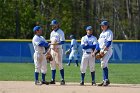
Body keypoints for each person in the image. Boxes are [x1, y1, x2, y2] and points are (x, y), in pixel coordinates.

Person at [97, 21, 113, 86]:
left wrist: (103, 50)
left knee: (103, 64)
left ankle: (106, 80)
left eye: (103, 25)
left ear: (106, 26)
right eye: (101, 25)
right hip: (102, 50)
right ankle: (105, 80)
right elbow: (98, 43)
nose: (102, 26)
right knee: (104, 65)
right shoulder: (101, 34)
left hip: (107, 50)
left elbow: (109, 42)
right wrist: (97, 51)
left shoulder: (109, 32)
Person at [49, 19, 65, 85]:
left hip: (58, 50)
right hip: (52, 50)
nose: (53, 26)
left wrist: (55, 44)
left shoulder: (60, 32)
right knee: (52, 64)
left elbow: (63, 41)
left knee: (59, 64)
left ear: (57, 25)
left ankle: (62, 79)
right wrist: (49, 51)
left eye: (54, 25)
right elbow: (51, 42)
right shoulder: (52, 33)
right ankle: (53, 79)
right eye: (52, 25)